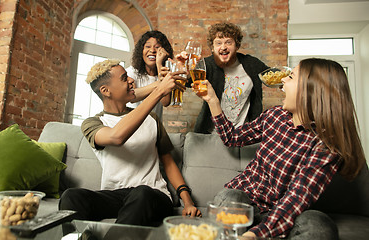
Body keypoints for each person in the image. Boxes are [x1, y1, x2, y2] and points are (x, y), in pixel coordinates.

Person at [195, 58, 366, 239]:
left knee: (319, 224)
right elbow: (232, 137)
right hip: (246, 204)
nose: (283, 80)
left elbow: (297, 198)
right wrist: (212, 100)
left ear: (311, 90)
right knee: (231, 198)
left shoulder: (327, 145)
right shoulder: (274, 115)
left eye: (291, 76)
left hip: (288, 215)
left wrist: (253, 235)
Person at [59, 59, 201, 227]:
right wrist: (158, 91)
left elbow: (169, 164)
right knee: (71, 196)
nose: (131, 80)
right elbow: (116, 137)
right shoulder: (94, 123)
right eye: (125, 78)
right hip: (116, 196)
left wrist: (188, 201)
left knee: (141, 193)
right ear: (106, 91)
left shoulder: (152, 119)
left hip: (153, 196)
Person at [194, 22, 269, 133]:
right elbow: (187, 80)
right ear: (213, 48)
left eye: (228, 42)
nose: (223, 47)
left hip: (242, 135)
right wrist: (182, 68)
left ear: (237, 45)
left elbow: (273, 76)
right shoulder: (206, 65)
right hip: (212, 134)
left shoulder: (251, 64)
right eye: (218, 43)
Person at [126, 30, 175, 119]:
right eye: (148, 46)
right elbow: (131, 97)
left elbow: (165, 102)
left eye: (157, 47)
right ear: (141, 51)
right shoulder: (131, 72)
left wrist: (159, 64)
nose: (152, 50)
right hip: (133, 125)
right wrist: (159, 83)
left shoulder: (166, 73)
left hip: (154, 126)